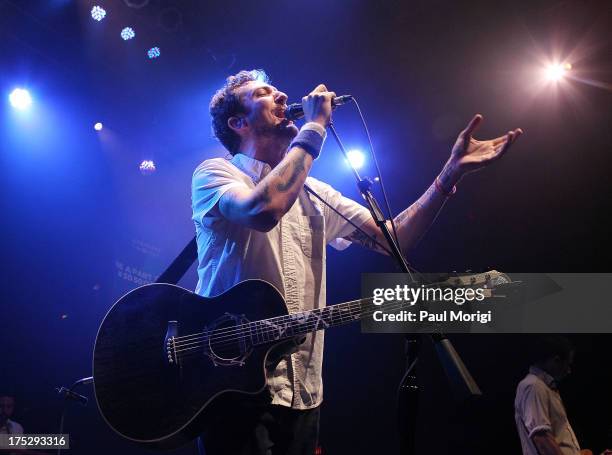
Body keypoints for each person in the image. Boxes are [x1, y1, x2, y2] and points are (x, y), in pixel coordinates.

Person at [192, 69, 522, 454]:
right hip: (231, 387)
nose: (283, 95)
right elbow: (263, 210)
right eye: (265, 94)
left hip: (304, 392)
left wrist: (450, 174)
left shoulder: (316, 192)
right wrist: (314, 126)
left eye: (279, 90)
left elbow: (393, 239)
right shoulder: (217, 173)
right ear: (239, 122)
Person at [515, 335, 582, 455]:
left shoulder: (546, 388)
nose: (569, 370)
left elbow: (558, 438)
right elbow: (542, 439)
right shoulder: (534, 386)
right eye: (568, 364)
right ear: (556, 360)